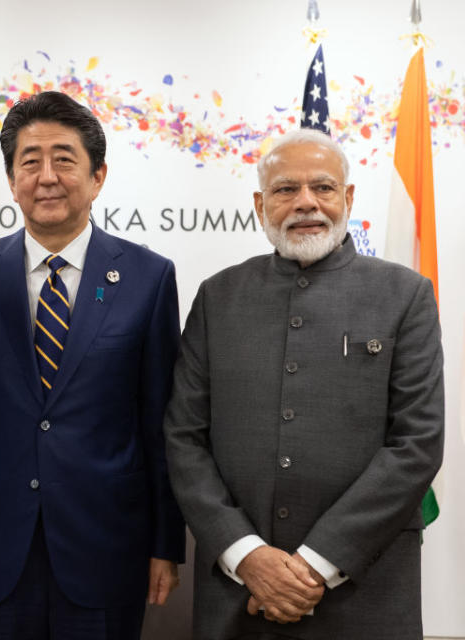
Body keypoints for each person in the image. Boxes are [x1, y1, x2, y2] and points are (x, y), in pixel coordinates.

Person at [163, 129, 444, 639]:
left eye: (323, 187)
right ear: (260, 203)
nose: (306, 203)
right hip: (237, 594)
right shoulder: (217, 297)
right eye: (286, 189)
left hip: (367, 590)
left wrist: (315, 564)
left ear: (348, 198)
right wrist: (248, 557)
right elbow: (184, 437)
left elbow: (417, 446)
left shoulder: (405, 295)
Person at [0, 91, 185, 640]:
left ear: (97, 177)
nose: (46, 176)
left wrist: (166, 543)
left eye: (64, 159)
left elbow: (162, 423)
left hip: (107, 548)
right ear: (11, 180)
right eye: (30, 161)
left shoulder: (148, 278)